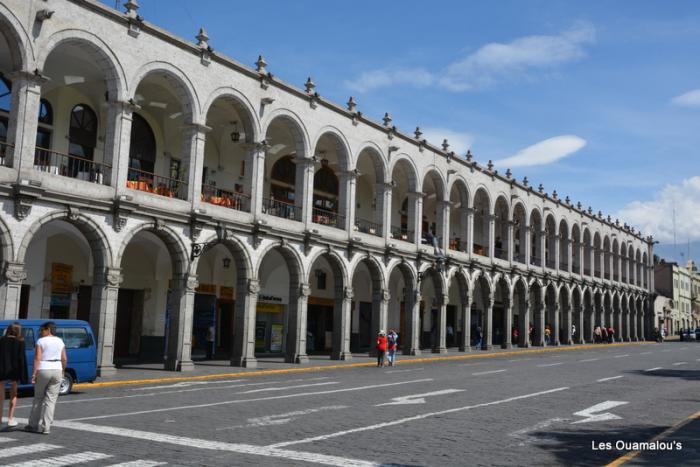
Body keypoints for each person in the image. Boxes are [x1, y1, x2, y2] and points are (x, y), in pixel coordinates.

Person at [25, 322, 67, 435]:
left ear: (48, 329)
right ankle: (46, 427)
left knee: (38, 398)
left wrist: (34, 374)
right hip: (57, 368)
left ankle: (33, 425)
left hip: (44, 368)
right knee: (51, 400)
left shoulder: (41, 341)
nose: (41, 332)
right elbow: (64, 358)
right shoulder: (60, 341)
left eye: (42, 330)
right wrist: (62, 370)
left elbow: (37, 358)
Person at [0, 323, 28, 428]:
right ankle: (10, 418)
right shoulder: (20, 342)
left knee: (0, 396)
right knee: (13, 394)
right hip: (14, 370)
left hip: (1, 369)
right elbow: (22, 358)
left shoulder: (1, 340)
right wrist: (23, 374)